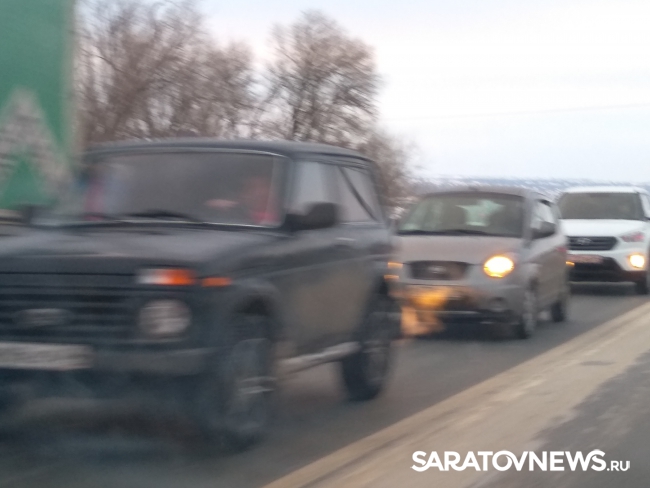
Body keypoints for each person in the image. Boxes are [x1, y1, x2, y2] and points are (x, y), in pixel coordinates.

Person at [205, 174, 277, 225]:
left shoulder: (277, 218)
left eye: (264, 186)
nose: (259, 192)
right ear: (241, 195)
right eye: (250, 188)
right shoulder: (233, 213)